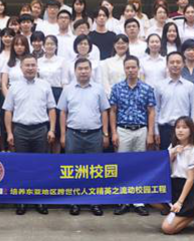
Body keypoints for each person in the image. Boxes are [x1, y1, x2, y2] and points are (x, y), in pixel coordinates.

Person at [3, 54, 57, 215]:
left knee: (40, 166)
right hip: (20, 130)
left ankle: (40, 200)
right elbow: (8, 111)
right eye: (27, 65)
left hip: (41, 130)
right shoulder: (14, 87)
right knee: (21, 167)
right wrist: (9, 133)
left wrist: (52, 129)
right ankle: (22, 200)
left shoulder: (45, 85)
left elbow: (51, 109)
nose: (30, 68)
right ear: (21, 68)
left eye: (33, 65)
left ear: (37, 67)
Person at [58, 58, 110, 216]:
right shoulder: (68, 89)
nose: (83, 71)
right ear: (75, 71)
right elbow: (63, 112)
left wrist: (105, 133)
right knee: (73, 170)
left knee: (95, 170)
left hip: (94, 134)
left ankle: (95, 202)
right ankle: (74, 202)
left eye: (86, 68)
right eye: (80, 68)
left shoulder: (98, 89)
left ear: (91, 70)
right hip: (73, 134)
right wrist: (63, 135)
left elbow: (104, 111)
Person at [110, 56, 156, 216]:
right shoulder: (117, 88)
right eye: (127, 67)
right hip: (123, 130)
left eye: (133, 67)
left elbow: (151, 112)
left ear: (138, 68)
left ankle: (138, 202)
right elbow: (113, 111)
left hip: (141, 130)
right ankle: (123, 201)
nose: (130, 70)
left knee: (139, 166)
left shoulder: (147, 88)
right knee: (122, 166)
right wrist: (113, 133)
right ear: (124, 69)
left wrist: (150, 133)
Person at [161, 117, 194, 235]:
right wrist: (173, 152)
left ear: (191, 130)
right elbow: (163, 167)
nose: (180, 130)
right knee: (151, 195)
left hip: (188, 190)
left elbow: (190, 179)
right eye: (178, 127)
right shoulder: (172, 146)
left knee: (167, 229)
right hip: (173, 185)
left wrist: (180, 202)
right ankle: (174, 213)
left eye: (184, 127)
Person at [155, 52, 194, 151]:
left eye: (178, 62)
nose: (175, 65)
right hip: (165, 129)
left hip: (185, 129)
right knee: (167, 157)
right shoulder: (159, 86)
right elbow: (156, 109)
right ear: (167, 64)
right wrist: (156, 131)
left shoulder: (190, 86)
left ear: (183, 64)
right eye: (172, 62)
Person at [37, 35, 68, 154]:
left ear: (56, 46)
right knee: (44, 126)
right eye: (47, 44)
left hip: (57, 94)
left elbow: (64, 81)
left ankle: (56, 157)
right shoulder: (38, 61)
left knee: (57, 129)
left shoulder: (62, 61)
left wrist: (65, 99)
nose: (49, 46)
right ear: (43, 46)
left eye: (52, 44)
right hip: (41, 94)